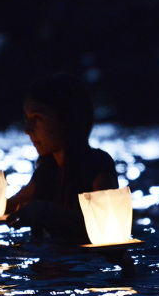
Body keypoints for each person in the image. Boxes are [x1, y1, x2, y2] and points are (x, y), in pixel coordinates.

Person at [6, 72, 119, 245]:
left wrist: (47, 212)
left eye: (37, 118)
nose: (27, 129)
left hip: (88, 268)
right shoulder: (47, 171)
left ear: (67, 119)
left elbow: (105, 224)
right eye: (26, 119)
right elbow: (7, 207)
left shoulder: (97, 165)